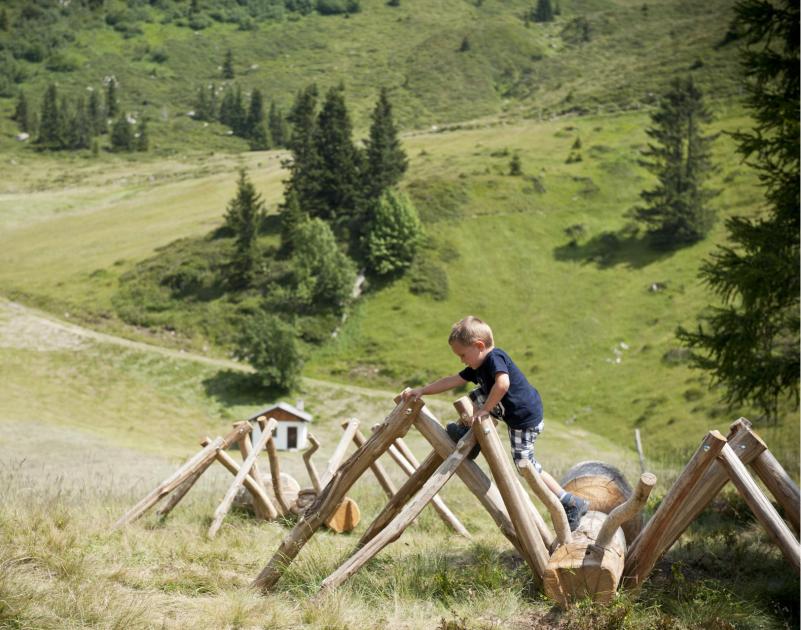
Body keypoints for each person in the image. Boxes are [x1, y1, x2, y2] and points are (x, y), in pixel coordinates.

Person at [401, 315, 589, 531]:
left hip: (524, 419)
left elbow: (503, 384)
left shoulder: (494, 358)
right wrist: (422, 390)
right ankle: (471, 435)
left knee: (524, 465)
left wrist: (485, 410)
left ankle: (569, 502)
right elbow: (452, 380)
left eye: (462, 354)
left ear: (479, 346)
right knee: (476, 394)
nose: (461, 360)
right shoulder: (478, 366)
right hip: (510, 412)